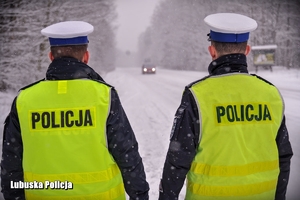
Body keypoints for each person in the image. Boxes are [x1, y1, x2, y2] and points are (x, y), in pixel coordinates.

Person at [1, 21, 149, 200]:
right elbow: (127, 153)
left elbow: (11, 163)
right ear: (86, 56)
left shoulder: (25, 100)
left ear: (50, 56)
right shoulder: (104, 96)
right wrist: (139, 194)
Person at [158, 13, 293, 200]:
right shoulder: (271, 94)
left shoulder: (197, 95)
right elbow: (283, 157)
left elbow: (177, 160)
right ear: (247, 50)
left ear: (212, 51)